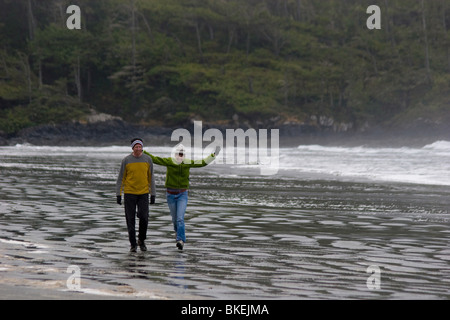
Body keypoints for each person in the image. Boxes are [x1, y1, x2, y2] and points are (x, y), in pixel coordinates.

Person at [143, 144, 220, 250]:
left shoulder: (187, 163)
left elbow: (202, 163)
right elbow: (155, 159)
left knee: (180, 219)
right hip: (170, 194)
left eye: (182, 154)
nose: (180, 155)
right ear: (175, 155)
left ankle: (180, 240)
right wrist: (142, 151)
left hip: (182, 194)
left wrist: (213, 155)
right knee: (175, 220)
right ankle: (177, 232)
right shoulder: (170, 161)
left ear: (184, 155)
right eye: (178, 153)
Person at [116, 138, 156, 252]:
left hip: (143, 193)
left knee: (144, 217)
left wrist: (153, 193)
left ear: (142, 147)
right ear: (132, 148)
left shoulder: (148, 159)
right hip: (129, 193)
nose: (138, 149)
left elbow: (151, 177)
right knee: (130, 219)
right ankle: (133, 244)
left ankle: (141, 240)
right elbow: (121, 178)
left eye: (140, 147)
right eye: (136, 147)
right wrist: (118, 194)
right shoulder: (126, 160)